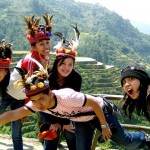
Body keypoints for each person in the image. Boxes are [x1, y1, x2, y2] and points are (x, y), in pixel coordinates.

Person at [0, 71, 150, 150]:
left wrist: (104, 125)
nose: (38, 105)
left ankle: (145, 137)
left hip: (99, 113)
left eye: (41, 99)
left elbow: (94, 103)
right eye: (34, 101)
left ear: (50, 93)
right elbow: (14, 114)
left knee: (125, 142)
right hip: (81, 121)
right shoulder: (37, 104)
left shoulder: (67, 96)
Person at [39, 25, 82, 150]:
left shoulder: (76, 78)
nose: (66, 68)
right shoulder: (46, 77)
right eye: (63, 63)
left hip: (68, 116)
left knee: (72, 138)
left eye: (70, 64)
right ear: (57, 63)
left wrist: (64, 123)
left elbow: (73, 103)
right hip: (49, 115)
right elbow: (41, 105)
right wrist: (53, 123)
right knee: (50, 141)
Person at [0, 39, 26, 150]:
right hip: (6, 97)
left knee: (16, 131)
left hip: (19, 99)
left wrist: (26, 110)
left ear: (6, 70)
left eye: (1, 70)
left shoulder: (15, 76)